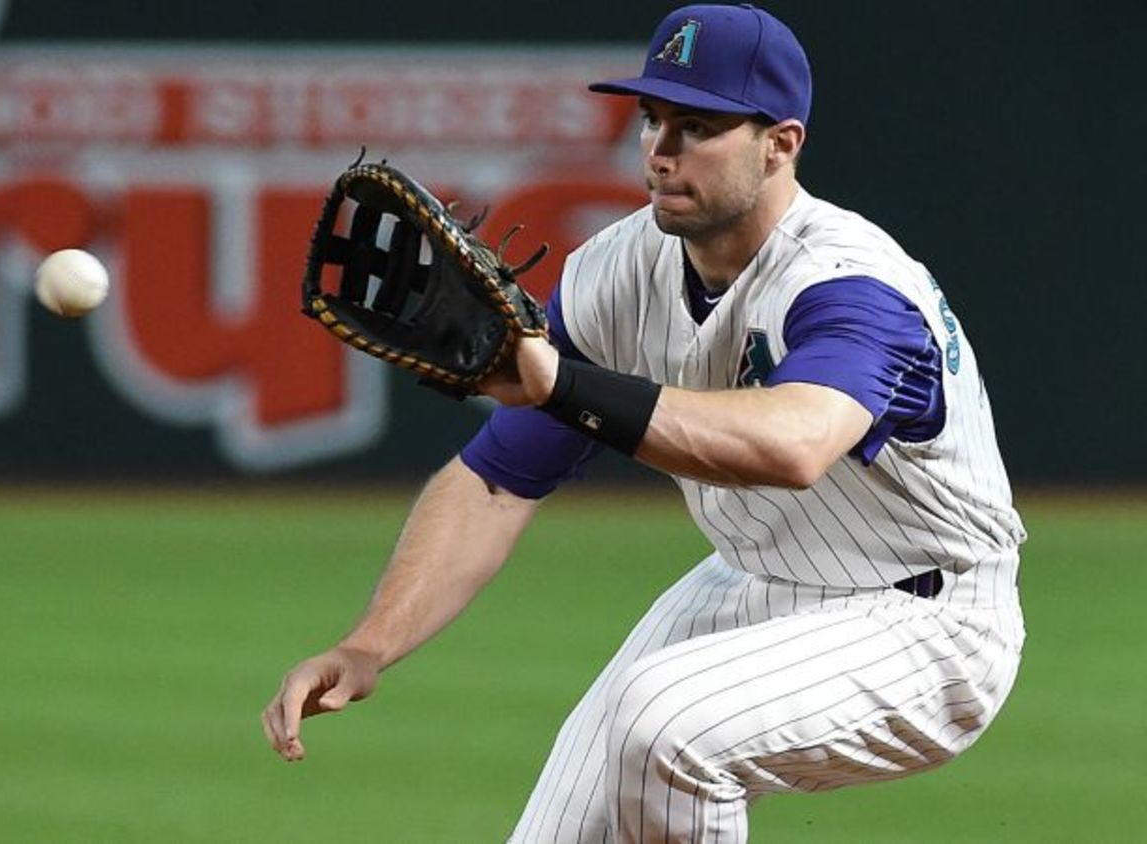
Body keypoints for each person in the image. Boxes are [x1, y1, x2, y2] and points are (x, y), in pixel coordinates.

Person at [261, 4, 1027, 841]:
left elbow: (796, 444)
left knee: (661, 722)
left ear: (782, 143)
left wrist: (566, 386)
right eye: (652, 118)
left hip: (925, 618)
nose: (661, 150)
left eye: (697, 126)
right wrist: (372, 644)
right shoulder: (616, 271)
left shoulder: (851, 285)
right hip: (753, 580)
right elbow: (495, 480)